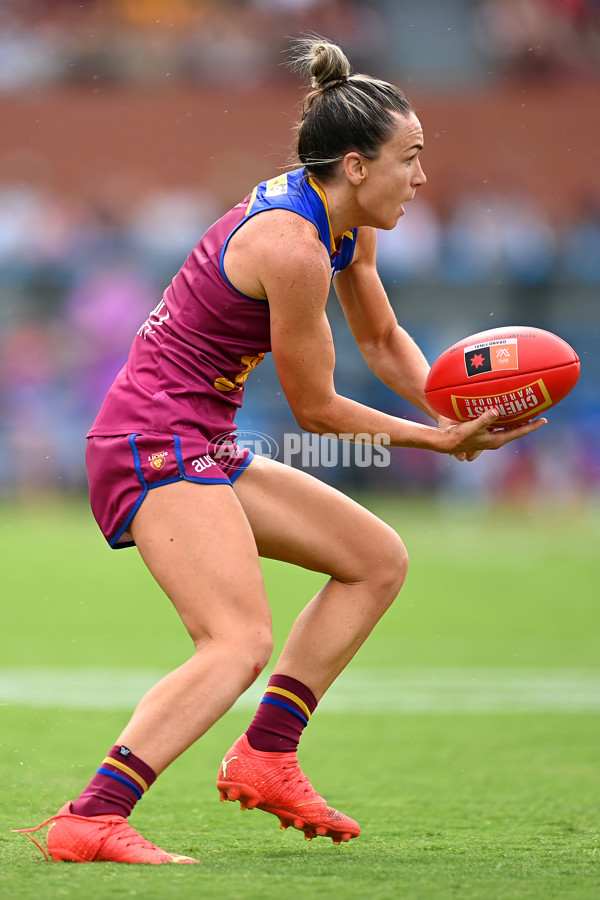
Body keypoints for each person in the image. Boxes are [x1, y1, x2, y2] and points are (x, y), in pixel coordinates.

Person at [14, 37, 546, 864]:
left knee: (375, 557)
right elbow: (317, 408)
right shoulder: (293, 246)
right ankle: (91, 816)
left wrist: (458, 404)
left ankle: (266, 755)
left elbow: (381, 336)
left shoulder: (341, 222)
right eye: (410, 159)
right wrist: (437, 439)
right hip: (151, 442)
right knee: (235, 641)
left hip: (195, 438)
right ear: (356, 165)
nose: (423, 177)